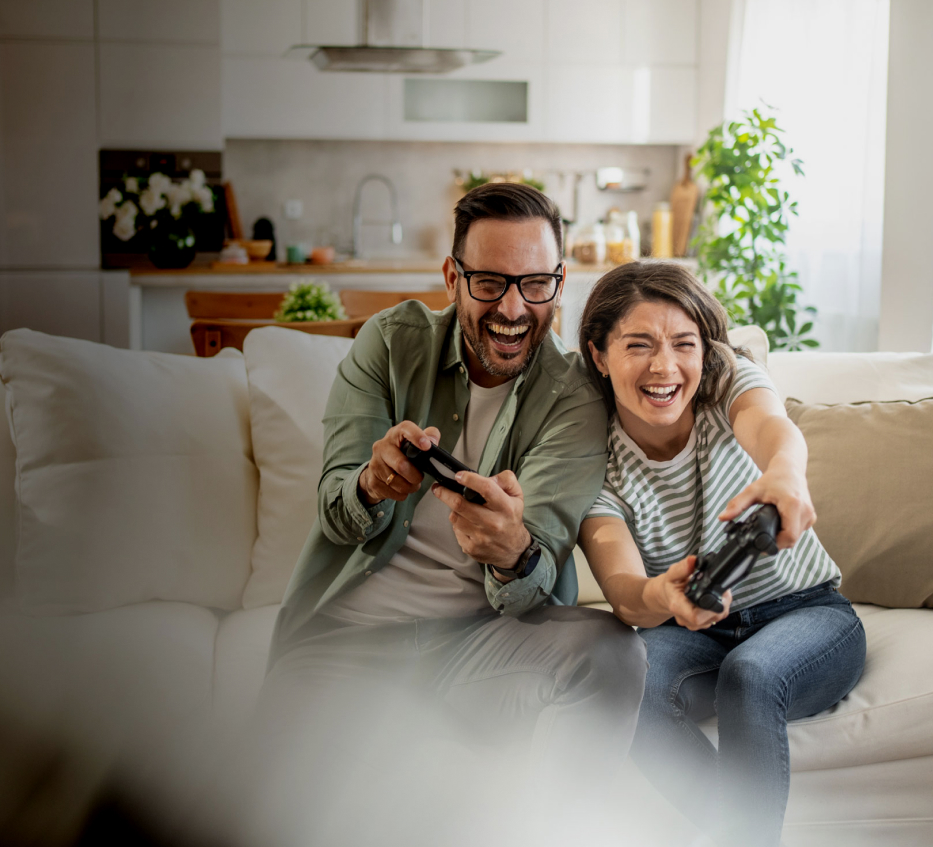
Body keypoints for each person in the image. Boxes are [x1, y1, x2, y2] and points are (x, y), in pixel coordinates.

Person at [259, 183, 648, 791]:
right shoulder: (389, 344)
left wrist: (513, 553)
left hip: (482, 647)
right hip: (348, 644)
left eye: (535, 283)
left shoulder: (573, 396)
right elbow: (335, 512)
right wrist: (372, 485)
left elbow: (535, 579)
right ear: (452, 277)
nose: (514, 309)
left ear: (560, 282)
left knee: (614, 654)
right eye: (490, 282)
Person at [575, 262, 865, 847]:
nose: (665, 367)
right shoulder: (589, 461)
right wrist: (661, 595)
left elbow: (771, 427)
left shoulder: (728, 378)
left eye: (684, 344)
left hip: (807, 613)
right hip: (698, 629)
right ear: (599, 355)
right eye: (639, 346)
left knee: (750, 675)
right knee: (618, 682)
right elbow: (627, 591)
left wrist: (785, 474)